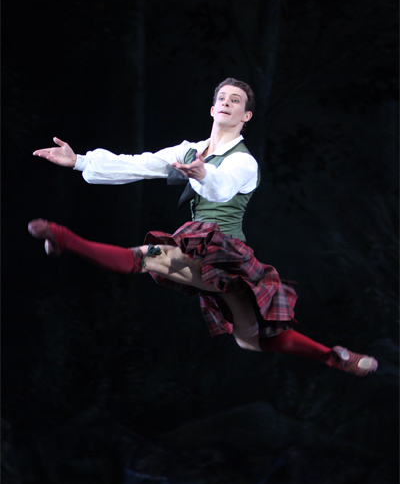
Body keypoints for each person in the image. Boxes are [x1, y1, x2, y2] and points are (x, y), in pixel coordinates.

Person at [28, 77, 378, 376]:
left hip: (220, 250)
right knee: (250, 339)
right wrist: (79, 161)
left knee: (151, 259)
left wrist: (202, 173)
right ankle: (333, 356)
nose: (226, 103)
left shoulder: (243, 161)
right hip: (212, 256)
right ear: (212, 110)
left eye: (235, 100)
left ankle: (64, 239)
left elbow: (222, 187)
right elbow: (140, 165)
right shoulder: (191, 150)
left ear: (247, 115)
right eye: (221, 99)